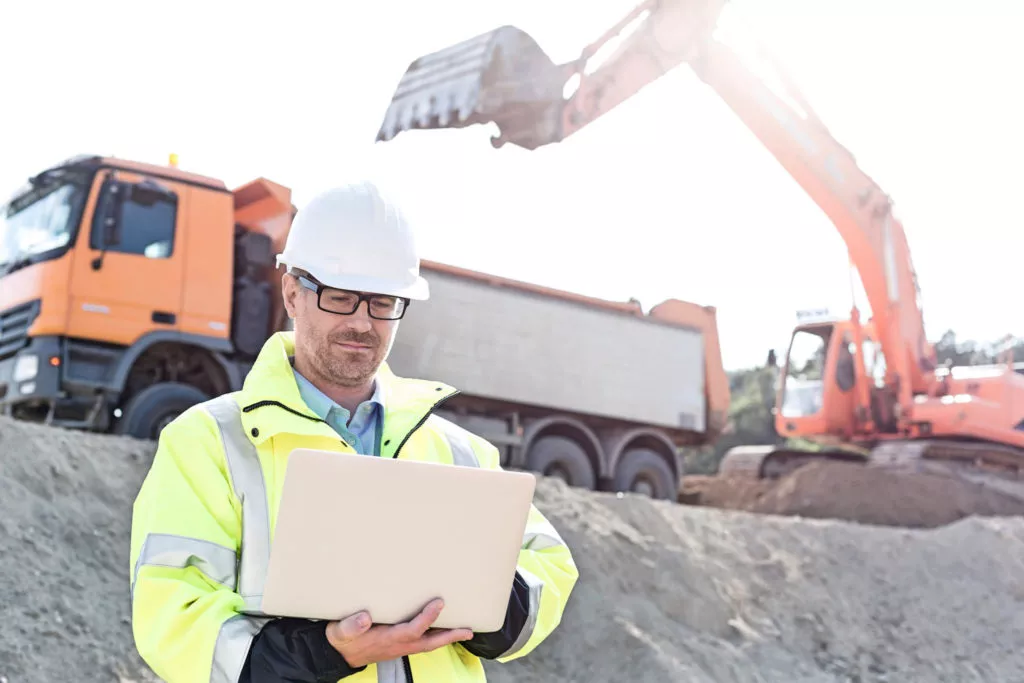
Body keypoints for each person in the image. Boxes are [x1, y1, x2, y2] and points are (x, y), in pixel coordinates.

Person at [129, 180, 579, 682]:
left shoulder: (460, 452)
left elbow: (550, 572)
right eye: (341, 298)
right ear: (293, 294)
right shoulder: (211, 441)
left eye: (383, 302)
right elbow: (171, 616)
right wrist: (326, 652)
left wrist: (480, 600)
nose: (363, 324)